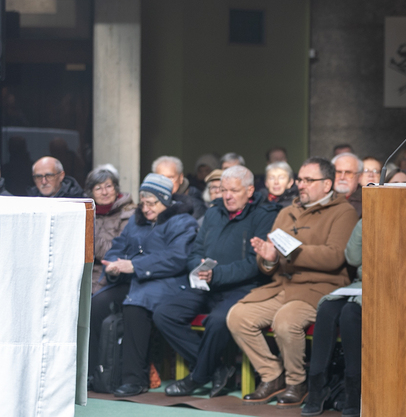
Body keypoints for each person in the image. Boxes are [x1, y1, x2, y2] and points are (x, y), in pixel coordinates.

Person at [226, 157, 358, 407]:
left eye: (309, 180)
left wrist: (291, 252)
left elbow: (335, 256)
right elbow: (270, 261)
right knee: (238, 316)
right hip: (283, 286)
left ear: (327, 184)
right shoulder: (287, 212)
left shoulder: (344, 212)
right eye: (300, 179)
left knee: (285, 321)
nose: (301, 184)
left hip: (319, 288)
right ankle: (272, 375)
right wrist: (268, 259)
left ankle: (297, 382)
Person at [156, 166, 279, 398]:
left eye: (234, 190)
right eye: (223, 190)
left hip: (243, 287)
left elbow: (254, 264)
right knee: (164, 314)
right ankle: (217, 369)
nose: (227, 196)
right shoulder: (213, 213)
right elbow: (195, 251)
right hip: (206, 284)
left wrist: (217, 274)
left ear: (250, 190)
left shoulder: (264, 215)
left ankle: (198, 377)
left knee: (218, 321)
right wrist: (198, 267)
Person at [100, 174, 198, 397]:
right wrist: (113, 265)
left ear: (165, 201)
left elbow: (176, 258)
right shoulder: (135, 221)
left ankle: (134, 379)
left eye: (152, 203)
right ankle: (100, 374)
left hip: (167, 280)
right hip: (135, 279)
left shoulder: (183, 221)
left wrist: (134, 265)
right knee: (98, 304)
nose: (145, 209)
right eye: (143, 203)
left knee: (135, 305)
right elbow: (118, 247)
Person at [302, 217, 364, 417]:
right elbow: (353, 258)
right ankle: (317, 389)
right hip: (362, 283)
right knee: (327, 308)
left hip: (391, 283)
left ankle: (354, 392)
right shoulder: (369, 220)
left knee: (350, 313)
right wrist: (365, 223)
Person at [88, 166, 136, 294]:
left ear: (116, 188)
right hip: (86, 276)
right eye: (98, 188)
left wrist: (88, 237)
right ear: (91, 193)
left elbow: (117, 251)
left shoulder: (128, 213)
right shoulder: (86, 213)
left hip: (112, 278)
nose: (104, 192)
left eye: (108, 186)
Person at [153, 155, 207, 219]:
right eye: (161, 178)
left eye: (170, 177)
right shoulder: (149, 201)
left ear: (181, 178)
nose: (166, 182)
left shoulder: (194, 205)